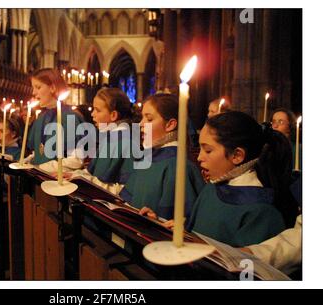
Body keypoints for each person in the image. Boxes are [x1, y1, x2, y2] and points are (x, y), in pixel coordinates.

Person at [185, 111, 300, 247]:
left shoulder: (261, 212)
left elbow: (246, 265)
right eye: (200, 148)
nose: (199, 158)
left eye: (208, 150)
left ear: (237, 155)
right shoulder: (212, 188)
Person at [119, 93, 205, 221]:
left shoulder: (176, 165)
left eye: (149, 119)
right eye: (142, 118)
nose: (141, 124)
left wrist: (158, 220)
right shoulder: (150, 157)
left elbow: (185, 221)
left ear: (170, 125)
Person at [67, 88, 134, 194]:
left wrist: (86, 180)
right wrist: (74, 175)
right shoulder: (109, 137)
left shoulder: (126, 142)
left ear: (113, 115)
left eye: (97, 110)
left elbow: (124, 189)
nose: (92, 114)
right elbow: (92, 172)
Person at [25, 68, 85, 172]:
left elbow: (76, 160)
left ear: (52, 87)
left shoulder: (69, 117)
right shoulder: (40, 118)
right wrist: (27, 161)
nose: (33, 92)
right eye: (33, 88)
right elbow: (39, 152)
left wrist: (43, 168)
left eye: (38, 87)